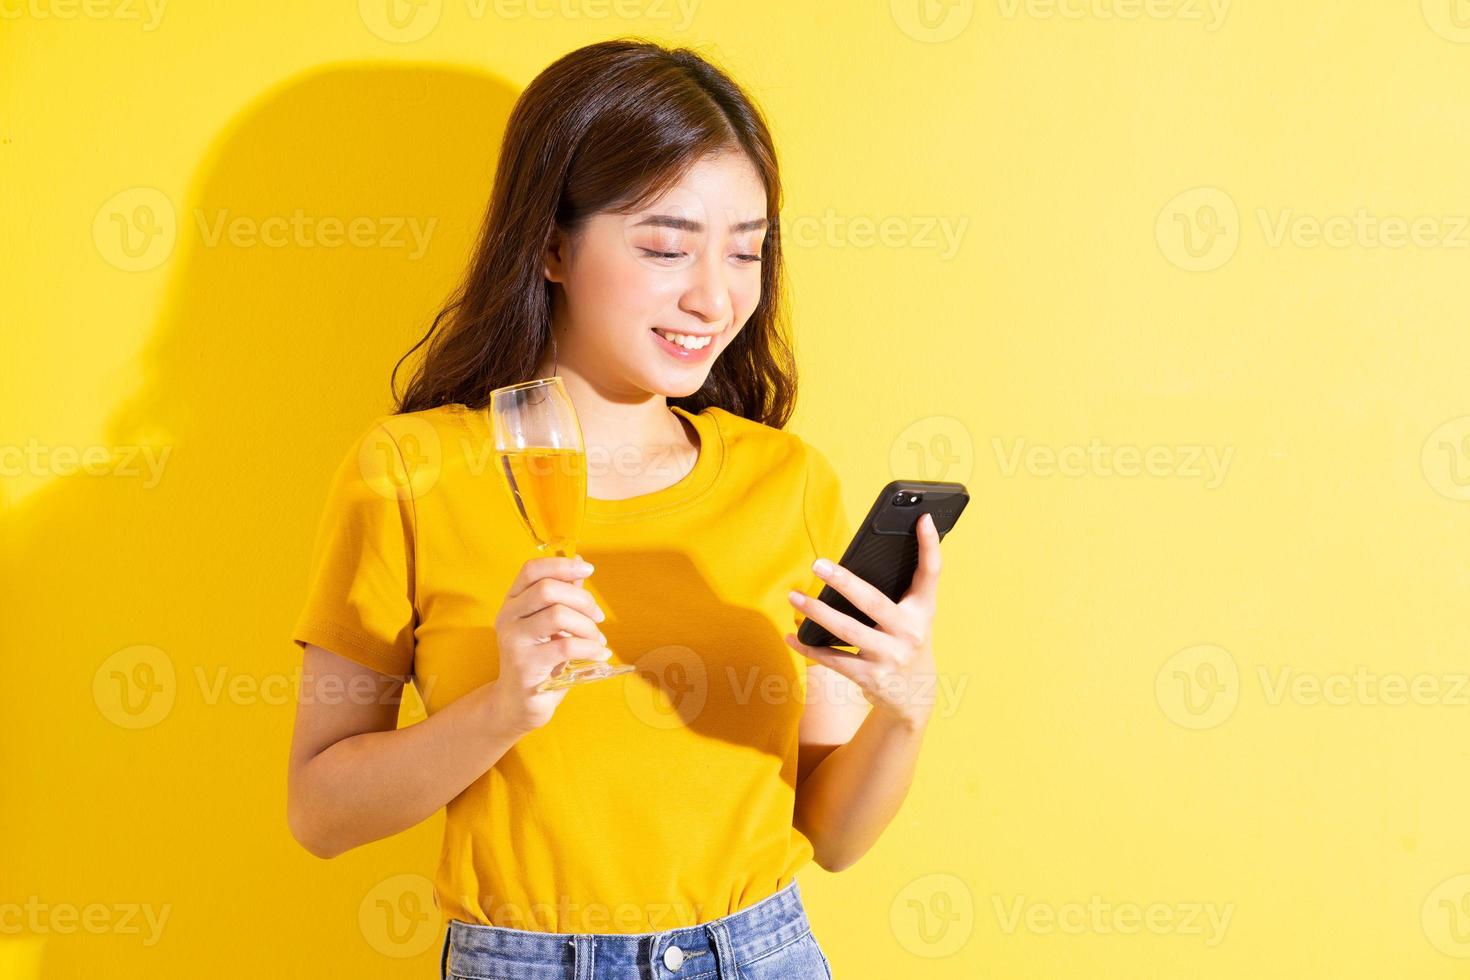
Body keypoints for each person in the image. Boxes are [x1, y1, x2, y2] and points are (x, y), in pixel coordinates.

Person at [285, 38, 945, 980]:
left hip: (761, 953)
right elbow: (319, 811)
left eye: (748, 251)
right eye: (666, 246)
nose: (716, 297)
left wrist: (906, 705)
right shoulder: (409, 472)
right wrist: (503, 708)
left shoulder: (788, 480)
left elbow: (830, 835)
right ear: (551, 245)